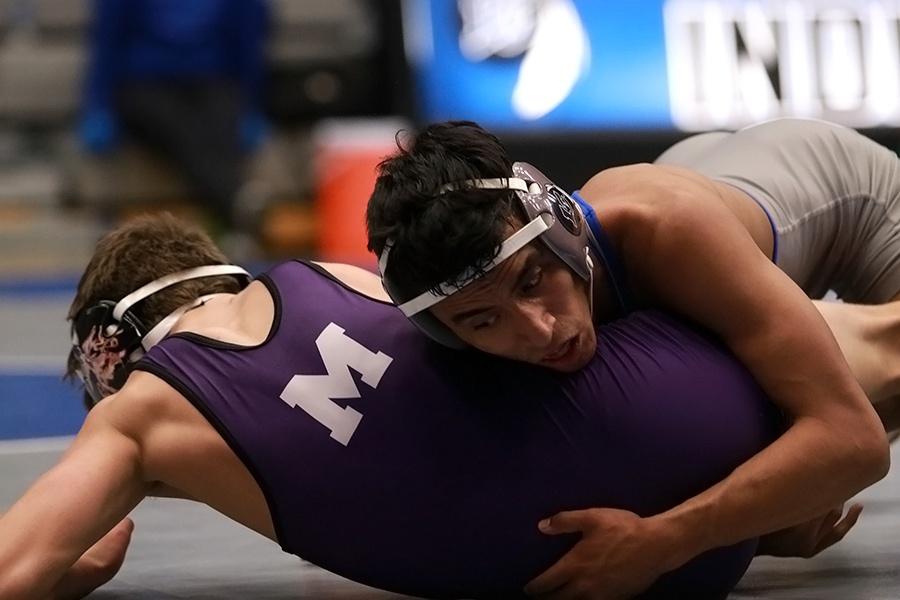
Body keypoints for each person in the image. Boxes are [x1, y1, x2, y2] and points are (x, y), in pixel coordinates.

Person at [2, 213, 893, 600]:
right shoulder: (327, 276)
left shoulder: (135, 419)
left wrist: (71, 561)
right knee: (868, 354)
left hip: (598, 570)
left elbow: (20, 571)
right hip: (667, 430)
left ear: (113, 357)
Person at [365, 118, 898, 597]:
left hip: (846, 197)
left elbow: (854, 441)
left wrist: (669, 539)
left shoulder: (667, 232)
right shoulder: (457, 328)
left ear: (563, 226)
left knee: (851, 381)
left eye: (532, 280)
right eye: (484, 322)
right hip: (704, 173)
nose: (539, 329)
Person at [79, 0, 271, 237]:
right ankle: (235, 201)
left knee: (220, 120)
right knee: (182, 129)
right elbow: (107, 38)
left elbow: (247, 40)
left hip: (212, 82)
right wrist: (98, 105)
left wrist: (251, 105)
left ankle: (231, 212)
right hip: (143, 85)